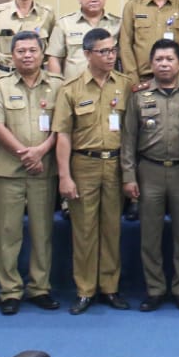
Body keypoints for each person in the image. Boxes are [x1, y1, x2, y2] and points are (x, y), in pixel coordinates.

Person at [54, 28, 132, 314]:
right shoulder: (71, 88)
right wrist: (64, 176)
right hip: (83, 164)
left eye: (113, 50)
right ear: (87, 54)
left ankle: (110, 288)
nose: (111, 56)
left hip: (114, 165)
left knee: (112, 229)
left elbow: (131, 131)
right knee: (84, 231)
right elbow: (62, 135)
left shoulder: (124, 84)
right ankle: (85, 289)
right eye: (104, 51)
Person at [0, 32, 62, 316]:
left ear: (42, 54)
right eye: (21, 51)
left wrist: (40, 151)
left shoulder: (57, 85)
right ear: (11, 55)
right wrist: (25, 153)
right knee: (8, 233)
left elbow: (61, 125)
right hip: (9, 171)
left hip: (44, 169)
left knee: (43, 232)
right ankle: (10, 291)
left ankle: (39, 288)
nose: (27, 55)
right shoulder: (1, 86)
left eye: (32, 50)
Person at [121, 39, 179, 313]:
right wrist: (129, 176)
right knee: (149, 235)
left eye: (169, 59)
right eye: (159, 60)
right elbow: (128, 139)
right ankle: (154, 289)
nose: (164, 64)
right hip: (148, 171)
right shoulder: (138, 95)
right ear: (151, 64)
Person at [46, 0, 121, 79]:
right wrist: (57, 86)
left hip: (108, 89)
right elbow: (55, 58)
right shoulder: (64, 24)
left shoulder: (117, 24)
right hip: (74, 90)